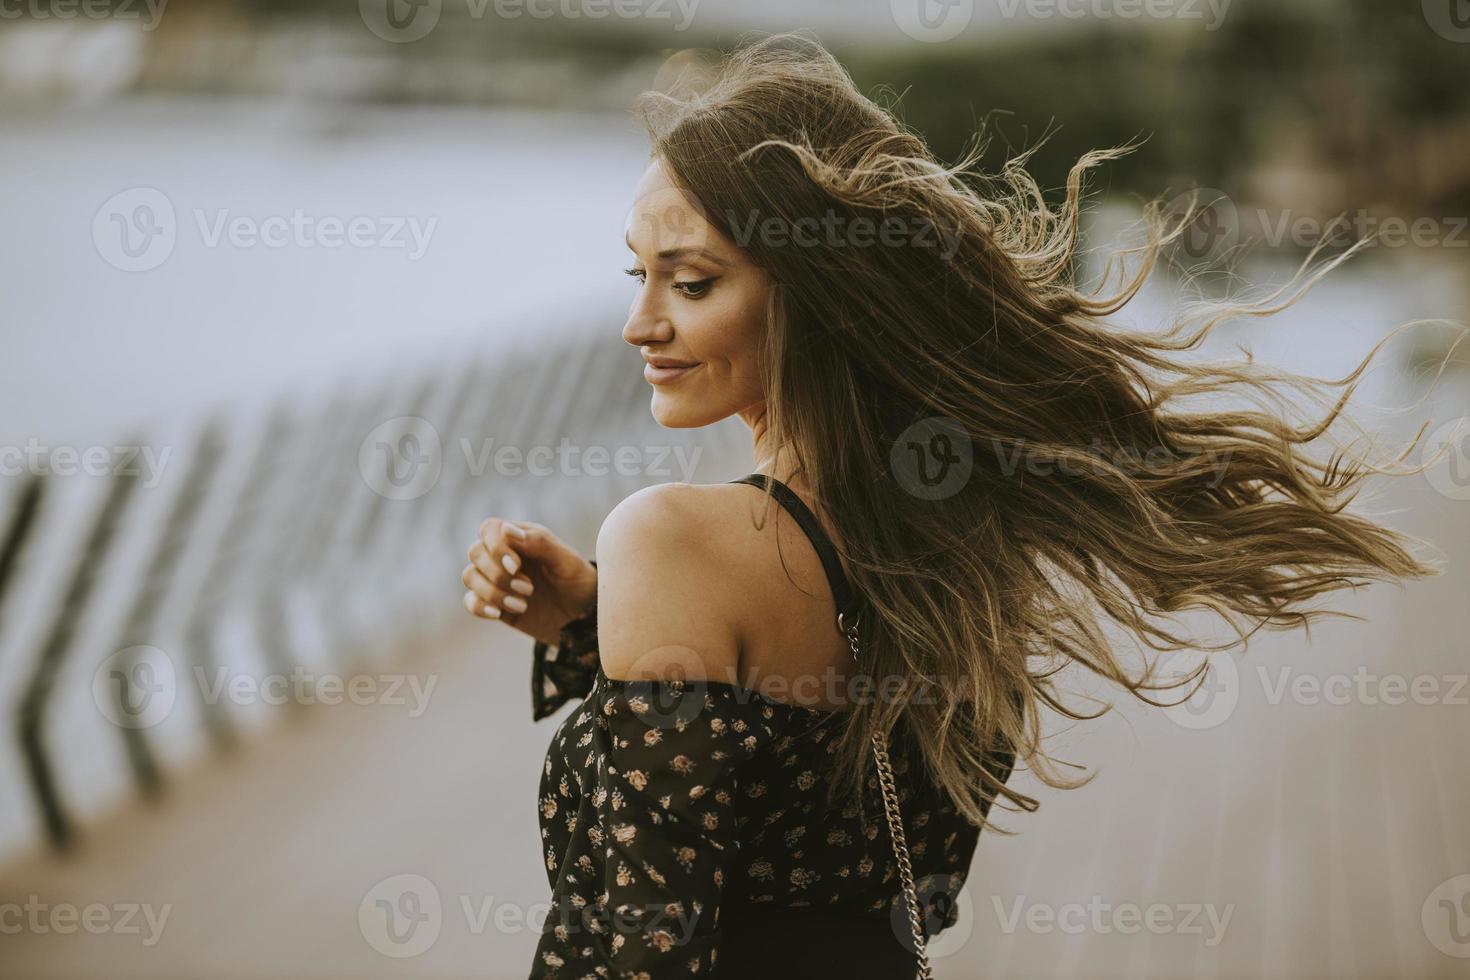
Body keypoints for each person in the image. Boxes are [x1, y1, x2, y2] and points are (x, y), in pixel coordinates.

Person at [460, 32, 1437, 979]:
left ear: (818, 289)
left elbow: (650, 947)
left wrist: (636, 589)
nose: (640, 322)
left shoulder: (666, 536)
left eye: (693, 280)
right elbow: (837, 819)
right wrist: (597, 617)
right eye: (640, 274)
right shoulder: (956, 534)